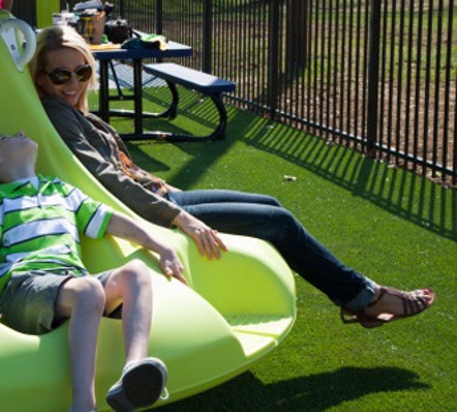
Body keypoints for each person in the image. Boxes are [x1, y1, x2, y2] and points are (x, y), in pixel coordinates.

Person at [29, 25, 436, 331]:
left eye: (80, 72)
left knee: (272, 208)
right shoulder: (57, 114)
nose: (72, 84)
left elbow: (120, 167)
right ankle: (365, 298)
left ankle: (360, 297)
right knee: (278, 222)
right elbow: (102, 176)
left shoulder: (75, 112)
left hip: (158, 195)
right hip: (149, 210)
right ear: (41, 80)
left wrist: (167, 191)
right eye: (60, 76)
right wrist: (179, 217)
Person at [0, 131, 181, 412]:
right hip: (23, 287)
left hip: (71, 284)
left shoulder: (60, 190)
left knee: (136, 272)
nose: (20, 132)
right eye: (6, 138)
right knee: (88, 288)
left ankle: (133, 370)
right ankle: (83, 404)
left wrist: (161, 247)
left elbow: (110, 220)